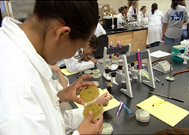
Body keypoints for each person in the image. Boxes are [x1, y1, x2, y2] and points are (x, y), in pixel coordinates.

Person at [0, 1, 108, 135]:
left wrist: (59, 97)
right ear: (62, 34)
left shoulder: (16, 48)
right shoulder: (20, 96)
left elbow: (50, 122)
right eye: (77, 48)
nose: (74, 53)